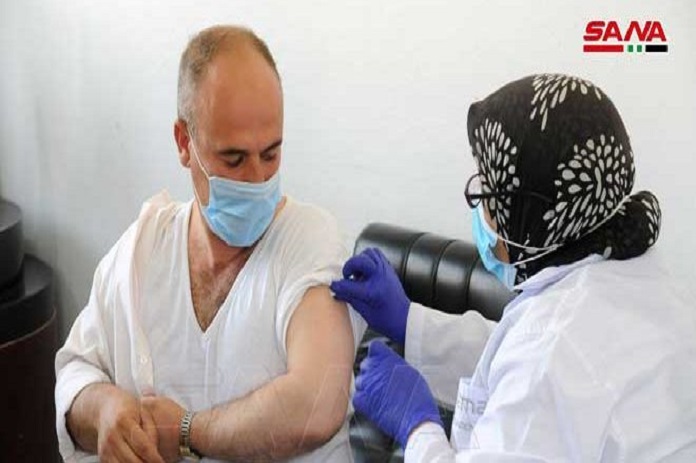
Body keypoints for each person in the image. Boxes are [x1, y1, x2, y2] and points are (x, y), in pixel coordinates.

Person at [331, 74, 696, 461]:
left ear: (529, 211)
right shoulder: (631, 268)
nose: (481, 212)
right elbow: (515, 356)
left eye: (488, 194)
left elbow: (540, 366)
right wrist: (409, 322)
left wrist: (416, 425)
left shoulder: (552, 350)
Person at [55, 25, 365, 463]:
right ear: (185, 143)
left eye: (271, 154)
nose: (257, 179)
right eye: (234, 159)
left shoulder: (310, 240)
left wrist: (187, 431)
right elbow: (76, 371)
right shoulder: (142, 250)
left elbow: (317, 404)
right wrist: (104, 410)